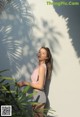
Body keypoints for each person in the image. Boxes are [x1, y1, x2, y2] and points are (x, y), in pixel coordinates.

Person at [17, 46, 53, 117]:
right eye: (39, 52)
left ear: (46, 57)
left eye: (43, 53)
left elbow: (40, 86)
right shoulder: (39, 67)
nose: (40, 54)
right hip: (36, 95)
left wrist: (25, 83)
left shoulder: (42, 67)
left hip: (39, 96)